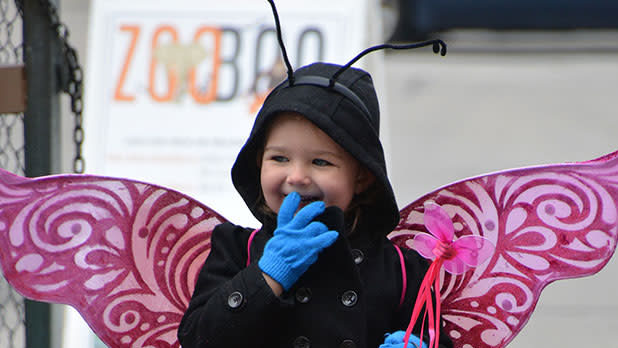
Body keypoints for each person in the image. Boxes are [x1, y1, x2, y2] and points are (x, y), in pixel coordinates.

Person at [177, 62, 453, 348]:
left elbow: (434, 338)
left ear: (362, 176)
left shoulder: (404, 270)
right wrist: (267, 274)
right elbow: (198, 339)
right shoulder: (235, 250)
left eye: (321, 162)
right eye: (279, 159)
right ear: (258, 161)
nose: (296, 177)